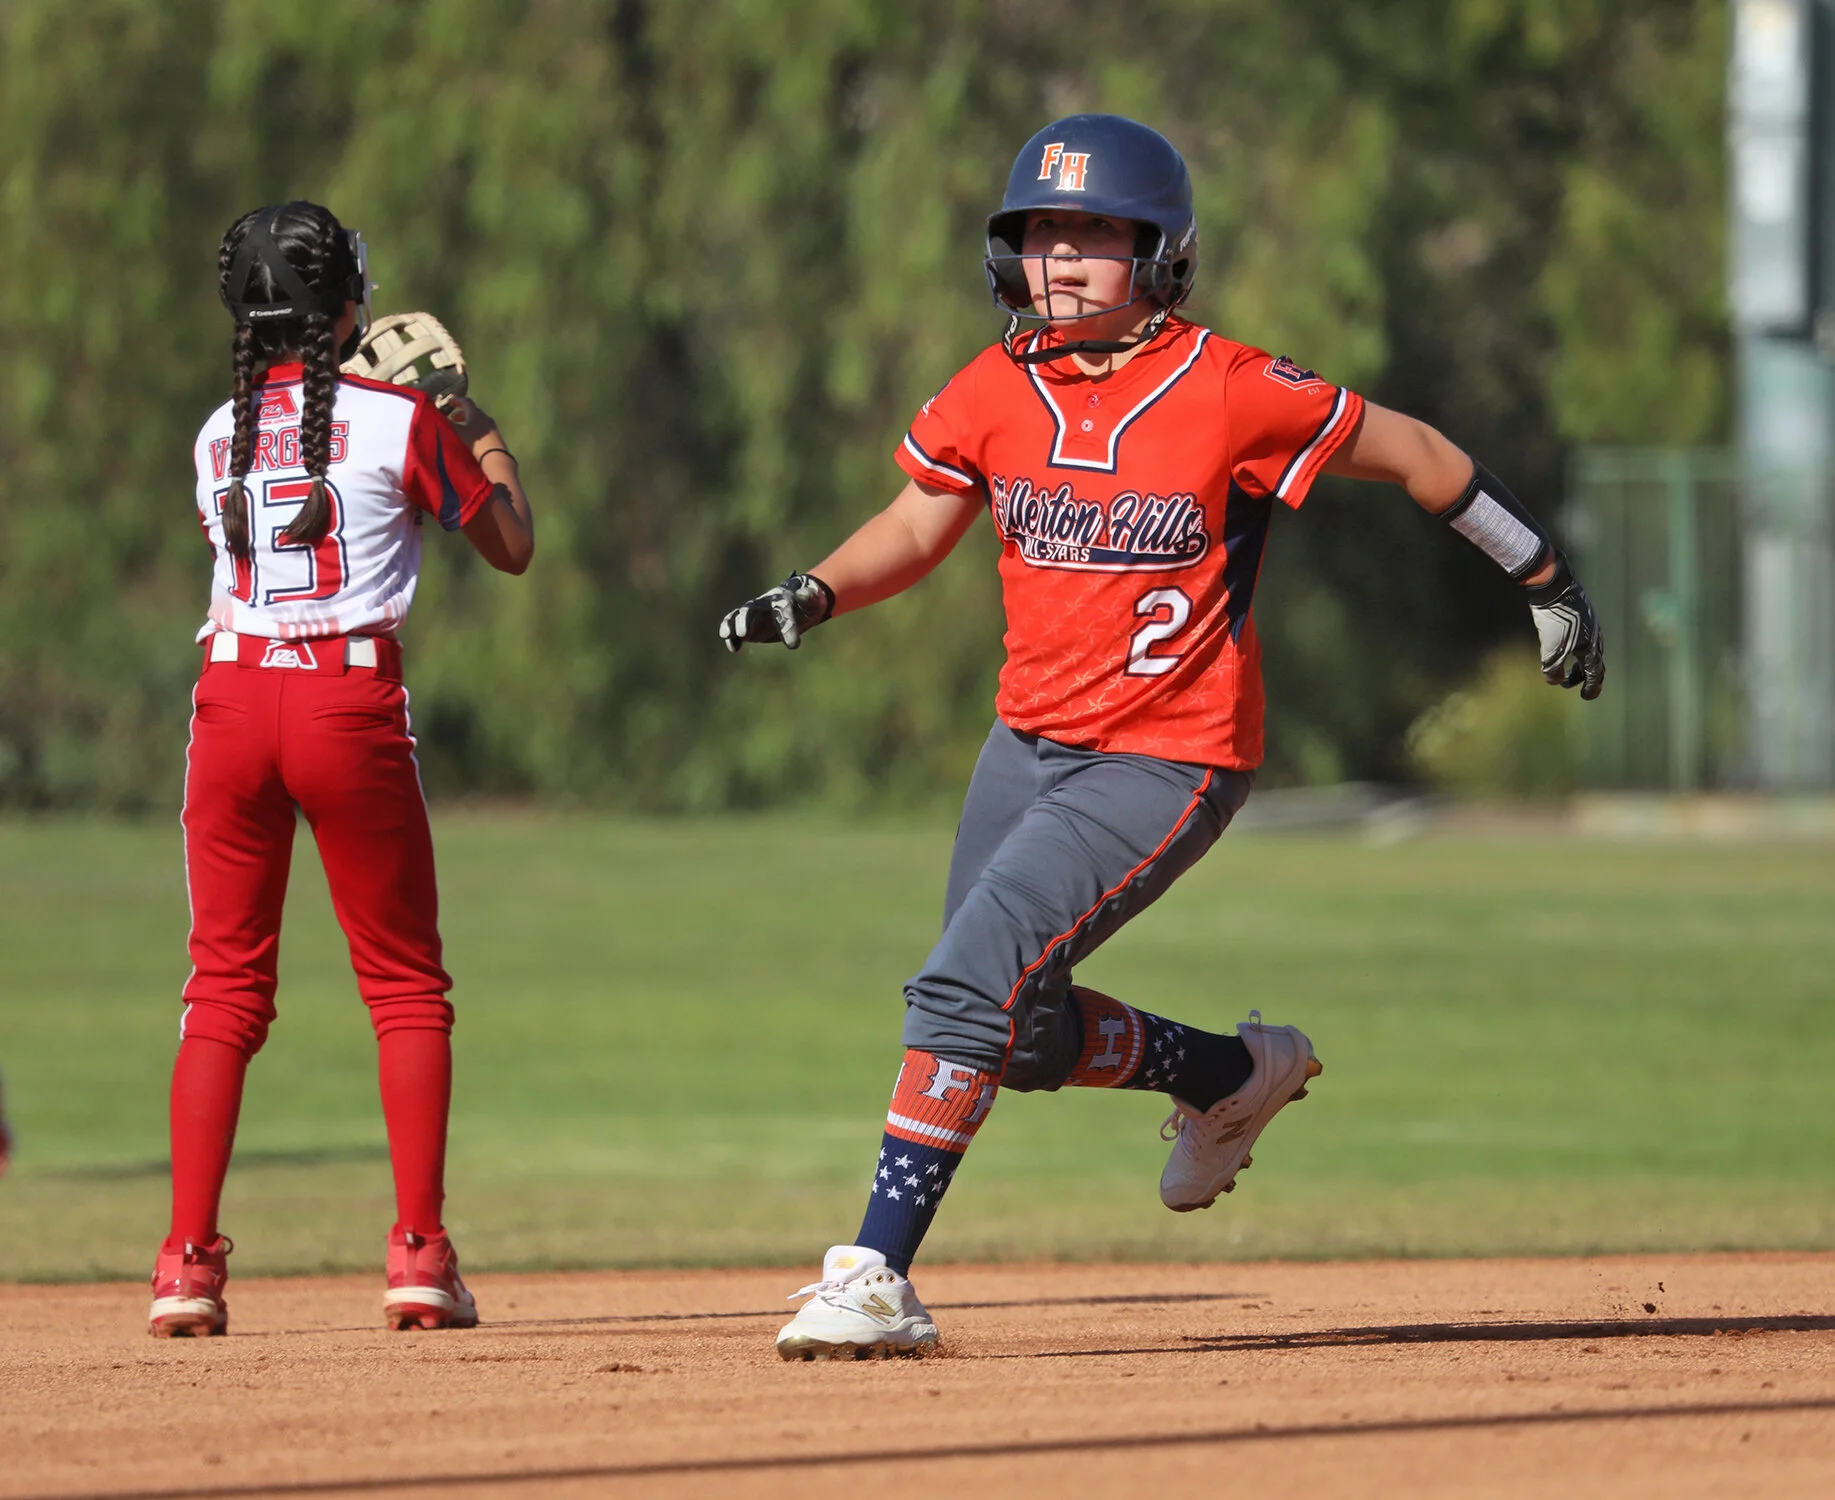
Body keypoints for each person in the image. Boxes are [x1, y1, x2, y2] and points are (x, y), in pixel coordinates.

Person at [720, 115, 1604, 1360]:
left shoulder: (1235, 389)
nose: (1060, 260)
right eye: (1040, 234)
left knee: (964, 985)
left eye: (1095, 236)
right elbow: (918, 524)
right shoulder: (995, 386)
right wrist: (812, 592)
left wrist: (1547, 578)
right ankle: (1225, 1077)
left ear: (1163, 255)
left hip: (1167, 756)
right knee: (1016, 1036)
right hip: (1024, 744)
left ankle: (875, 1274)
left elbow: (1417, 453)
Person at [149, 202, 534, 1338]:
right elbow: (511, 543)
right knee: (405, 984)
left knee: (222, 989)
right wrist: (474, 418)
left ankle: (185, 1264)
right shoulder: (402, 416)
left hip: (228, 700)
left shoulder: (216, 433)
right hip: (342, 698)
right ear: (348, 305)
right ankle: (418, 1253)